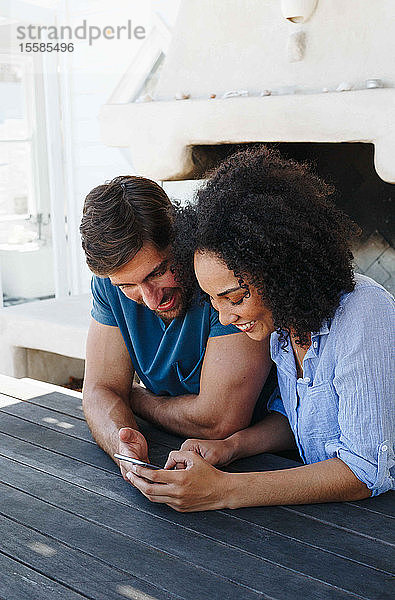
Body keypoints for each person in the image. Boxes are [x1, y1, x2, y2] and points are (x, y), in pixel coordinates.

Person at [126, 148, 395, 510]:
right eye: (213, 301)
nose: (223, 318)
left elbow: (364, 470)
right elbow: (298, 418)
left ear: (279, 269)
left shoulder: (365, 312)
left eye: (235, 297)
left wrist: (223, 490)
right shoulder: (282, 326)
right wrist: (229, 447)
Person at [80, 174, 273, 481]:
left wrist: (137, 399)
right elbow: (99, 389)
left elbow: (219, 421)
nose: (151, 299)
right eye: (127, 285)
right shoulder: (108, 286)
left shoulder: (219, 273)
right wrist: (121, 442)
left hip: (266, 460)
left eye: (157, 272)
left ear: (180, 239)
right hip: (175, 454)